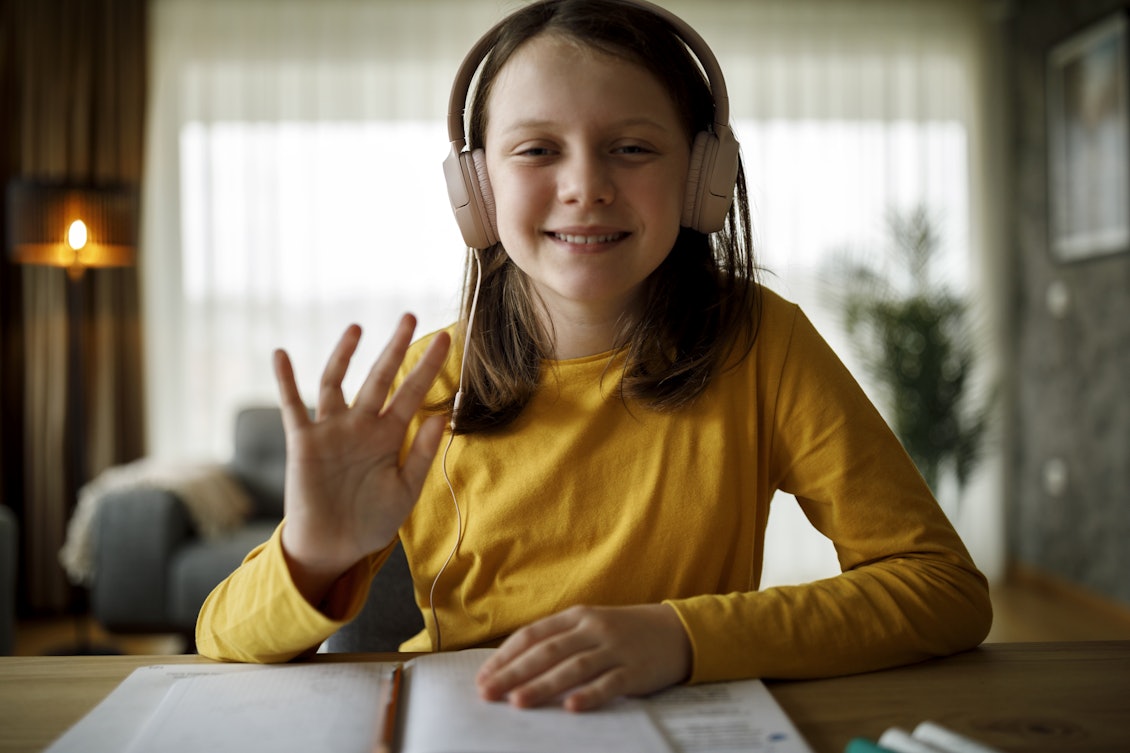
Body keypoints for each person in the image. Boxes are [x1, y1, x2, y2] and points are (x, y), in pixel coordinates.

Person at [196, 0, 992, 713]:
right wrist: (312, 552)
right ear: (476, 191)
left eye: (633, 148)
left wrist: (679, 637)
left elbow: (943, 588)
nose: (586, 185)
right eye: (537, 150)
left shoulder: (763, 343)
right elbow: (220, 639)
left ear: (701, 178)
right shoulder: (430, 387)